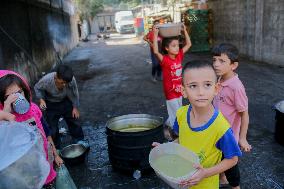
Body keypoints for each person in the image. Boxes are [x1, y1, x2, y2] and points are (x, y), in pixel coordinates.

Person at [153, 60, 242, 189]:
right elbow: (181, 140)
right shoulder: (181, 114)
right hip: (183, 179)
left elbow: (232, 159)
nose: (201, 92)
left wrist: (205, 173)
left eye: (207, 85)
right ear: (183, 91)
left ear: (216, 88)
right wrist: (166, 149)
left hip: (205, 185)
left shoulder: (221, 127)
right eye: (193, 86)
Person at [0, 70, 61, 188]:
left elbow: (46, 133)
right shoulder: (4, 120)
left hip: (44, 159)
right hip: (25, 170)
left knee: (48, 181)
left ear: (25, 90)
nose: (16, 98)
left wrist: (56, 155)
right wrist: (6, 112)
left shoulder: (34, 109)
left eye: (19, 92)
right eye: (9, 96)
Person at [212, 43, 252, 189]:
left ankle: (235, 186)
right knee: (219, 156)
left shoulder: (236, 87)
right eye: (214, 60)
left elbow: (245, 114)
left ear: (233, 65)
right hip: (218, 130)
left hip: (229, 135)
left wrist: (242, 138)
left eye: (222, 61)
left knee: (230, 164)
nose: (216, 64)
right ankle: (223, 179)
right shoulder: (220, 79)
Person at [152, 23, 191, 139]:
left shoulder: (179, 56)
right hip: (170, 92)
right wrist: (155, 34)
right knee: (178, 113)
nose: (177, 47)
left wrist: (185, 31)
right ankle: (177, 135)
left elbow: (189, 44)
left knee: (176, 111)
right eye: (173, 46)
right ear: (167, 48)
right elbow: (155, 51)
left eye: (177, 45)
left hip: (179, 90)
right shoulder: (165, 60)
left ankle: (166, 127)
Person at [34, 64, 84, 148]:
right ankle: (56, 147)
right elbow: (37, 88)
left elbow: (75, 92)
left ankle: (79, 140)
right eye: (62, 82)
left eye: (66, 83)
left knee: (74, 121)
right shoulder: (46, 80)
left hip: (66, 100)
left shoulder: (71, 80)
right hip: (51, 103)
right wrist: (41, 99)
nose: (64, 85)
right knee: (52, 128)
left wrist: (75, 107)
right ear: (56, 77)